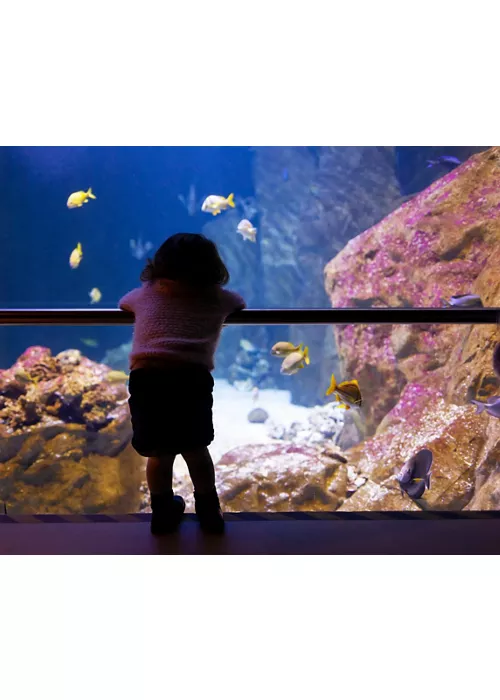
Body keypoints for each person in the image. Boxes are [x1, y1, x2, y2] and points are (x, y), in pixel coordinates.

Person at [119, 233, 246, 535]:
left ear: (158, 265)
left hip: (148, 379)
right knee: (196, 450)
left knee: (159, 455)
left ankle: (162, 512)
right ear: (212, 266)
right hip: (190, 380)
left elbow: (125, 302)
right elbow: (238, 302)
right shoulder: (217, 297)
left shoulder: (146, 294)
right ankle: (208, 511)